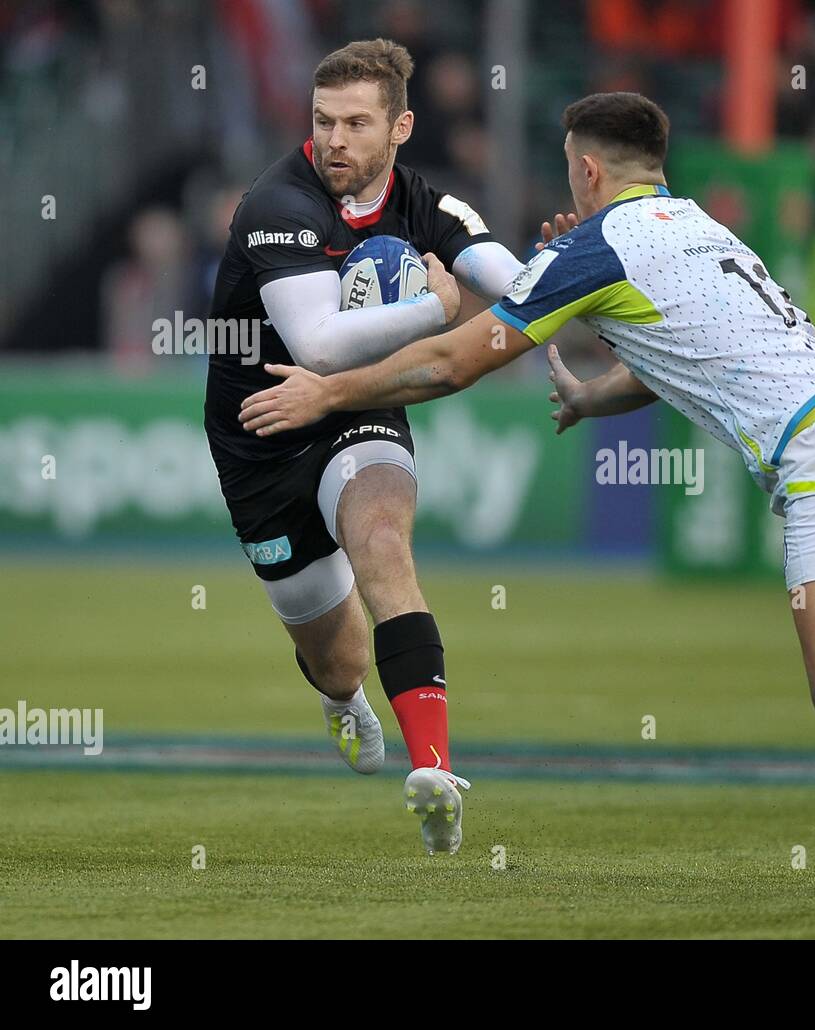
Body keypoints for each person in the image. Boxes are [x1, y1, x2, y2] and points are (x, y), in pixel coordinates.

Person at [238, 91, 815, 901]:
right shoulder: (698, 226)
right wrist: (595, 397)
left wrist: (326, 389)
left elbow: (451, 364)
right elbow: (688, 357)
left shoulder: (597, 247)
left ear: (584, 170)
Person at [205, 39, 529, 856]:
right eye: (323, 121)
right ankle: (344, 700)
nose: (335, 140)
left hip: (355, 413)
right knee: (337, 659)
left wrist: (570, 305)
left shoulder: (429, 206)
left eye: (356, 122)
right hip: (265, 436)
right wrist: (435, 311)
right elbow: (315, 346)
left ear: (401, 127)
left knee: (383, 542)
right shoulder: (275, 205)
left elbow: (510, 278)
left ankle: (435, 772)